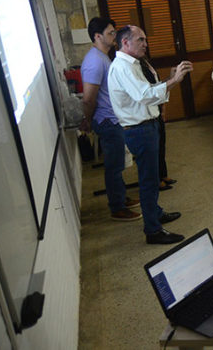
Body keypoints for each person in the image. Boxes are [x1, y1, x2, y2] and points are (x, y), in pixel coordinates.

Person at [107, 25, 193, 245]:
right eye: (141, 40)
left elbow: (149, 91)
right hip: (139, 130)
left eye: (145, 39)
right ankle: (153, 230)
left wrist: (168, 80)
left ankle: (155, 212)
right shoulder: (122, 67)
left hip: (147, 126)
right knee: (148, 181)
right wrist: (174, 81)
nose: (145, 44)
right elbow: (145, 96)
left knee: (152, 178)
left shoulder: (133, 64)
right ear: (125, 42)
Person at [80, 17, 141, 221]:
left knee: (117, 163)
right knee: (114, 166)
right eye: (110, 33)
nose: (114, 35)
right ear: (97, 36)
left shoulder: (103, 56)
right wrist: (88, 120)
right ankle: (117, 207)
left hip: (113, 118)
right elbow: (88, 99)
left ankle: (121, 197)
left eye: (114, 32)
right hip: (106, 121)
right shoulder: (94, 61)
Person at [137, 58, 176, 191]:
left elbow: (156, 85)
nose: (144, 47)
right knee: (154, 148)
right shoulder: (133, 66)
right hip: (147, 112)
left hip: (156, 107)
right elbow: (148, 93)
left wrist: (171, 78)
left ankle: (163, 174)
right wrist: (174, 79)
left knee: (161, 143)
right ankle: (157, 179)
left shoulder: (145, 61)